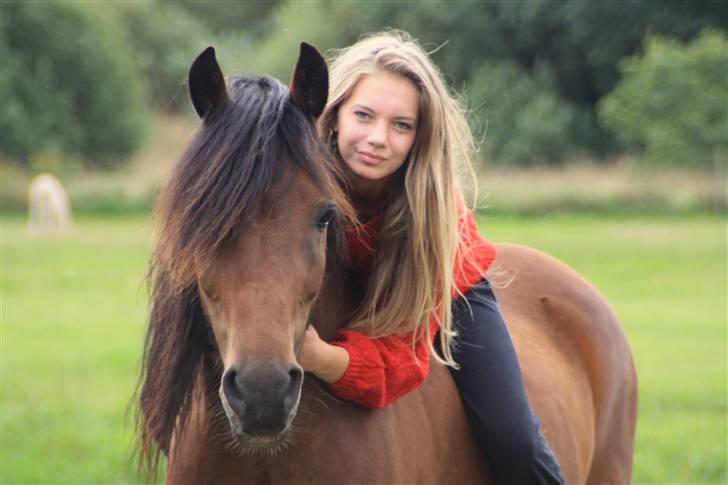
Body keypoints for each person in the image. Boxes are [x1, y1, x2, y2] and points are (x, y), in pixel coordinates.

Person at [299, 31, 564, 485]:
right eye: (363, 115)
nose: (378, 139)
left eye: (401, 125)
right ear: (336, 113)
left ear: (420, 135)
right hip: (355, 278)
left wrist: (319, 356)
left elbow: (400, 363)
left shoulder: (429, 215)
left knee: (512, 438)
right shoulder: (299, 184)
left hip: (447, 288)